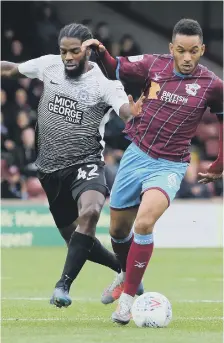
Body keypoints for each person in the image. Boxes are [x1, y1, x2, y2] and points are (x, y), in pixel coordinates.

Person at [81, 18, 223, 324]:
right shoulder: (152, 65)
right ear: (172, 48)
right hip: (136, 156)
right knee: (118, 231)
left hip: (170, 165)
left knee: (144, 224)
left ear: (202, 50)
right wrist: (100, 51)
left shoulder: (213, 86)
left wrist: (220, 162)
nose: (187, 57)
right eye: (181, 50)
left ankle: (128, 301)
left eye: (194, 51)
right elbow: (115, 68)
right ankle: (126, 274)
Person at [1, 22, 145, 308]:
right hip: (50, 170)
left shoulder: (105, 84)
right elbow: (10, 68)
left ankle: (62, 285)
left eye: (74, 52)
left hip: (87, 163)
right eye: (63, 51)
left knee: (90, 213)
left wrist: (134, 111)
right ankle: (124, 269)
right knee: (79, 241)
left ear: (87, 51)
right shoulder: (48, 65)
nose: (67, 57)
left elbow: (125, 110)